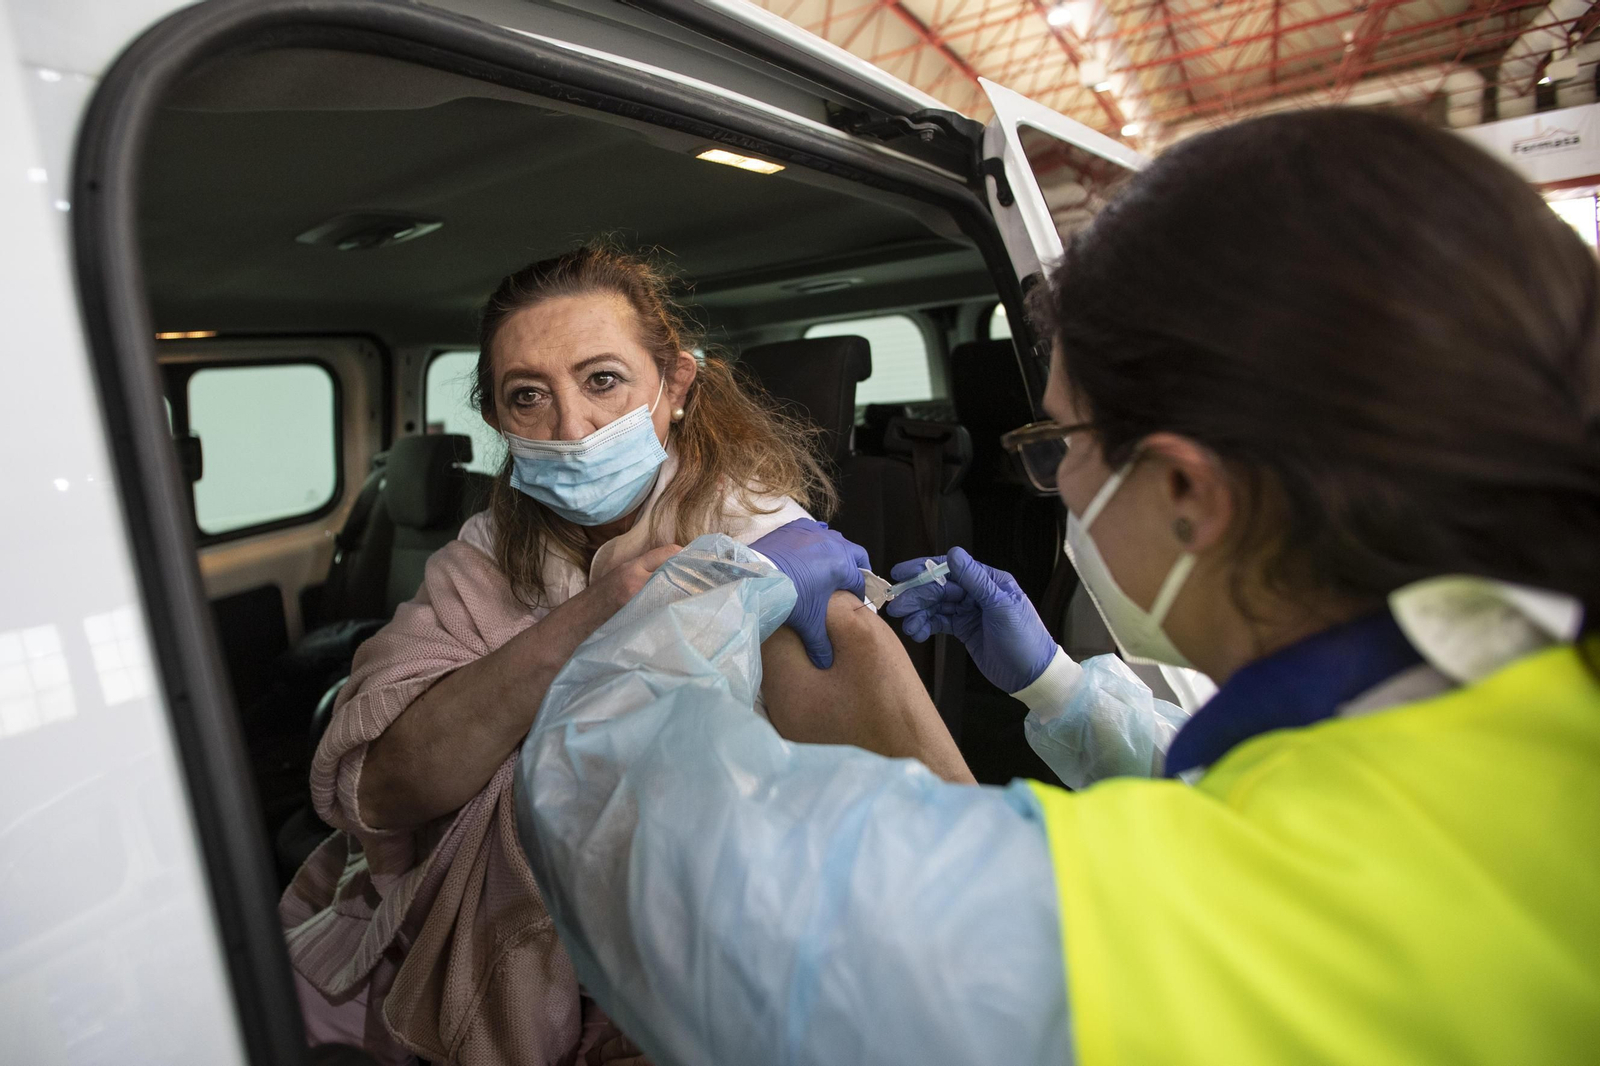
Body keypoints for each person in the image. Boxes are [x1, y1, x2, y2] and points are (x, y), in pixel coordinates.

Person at [516, 110, 1600, 1064]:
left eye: (1061, 439)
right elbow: (1284, 789)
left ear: (1185, 487)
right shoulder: (1526, 697)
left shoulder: (1192, 925)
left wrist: (719, 583)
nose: (1052, 478)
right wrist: (1056, 687)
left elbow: (623, 820)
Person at [279, 245, 967, 1066]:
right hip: (493, 965)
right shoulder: (483, 557)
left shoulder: (777, 562)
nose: (571, 429)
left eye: (602, 380)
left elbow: (937, 854)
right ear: (499, 422)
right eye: (528, 396)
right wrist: (607, 610)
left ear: (675, 388)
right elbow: (383, 792)